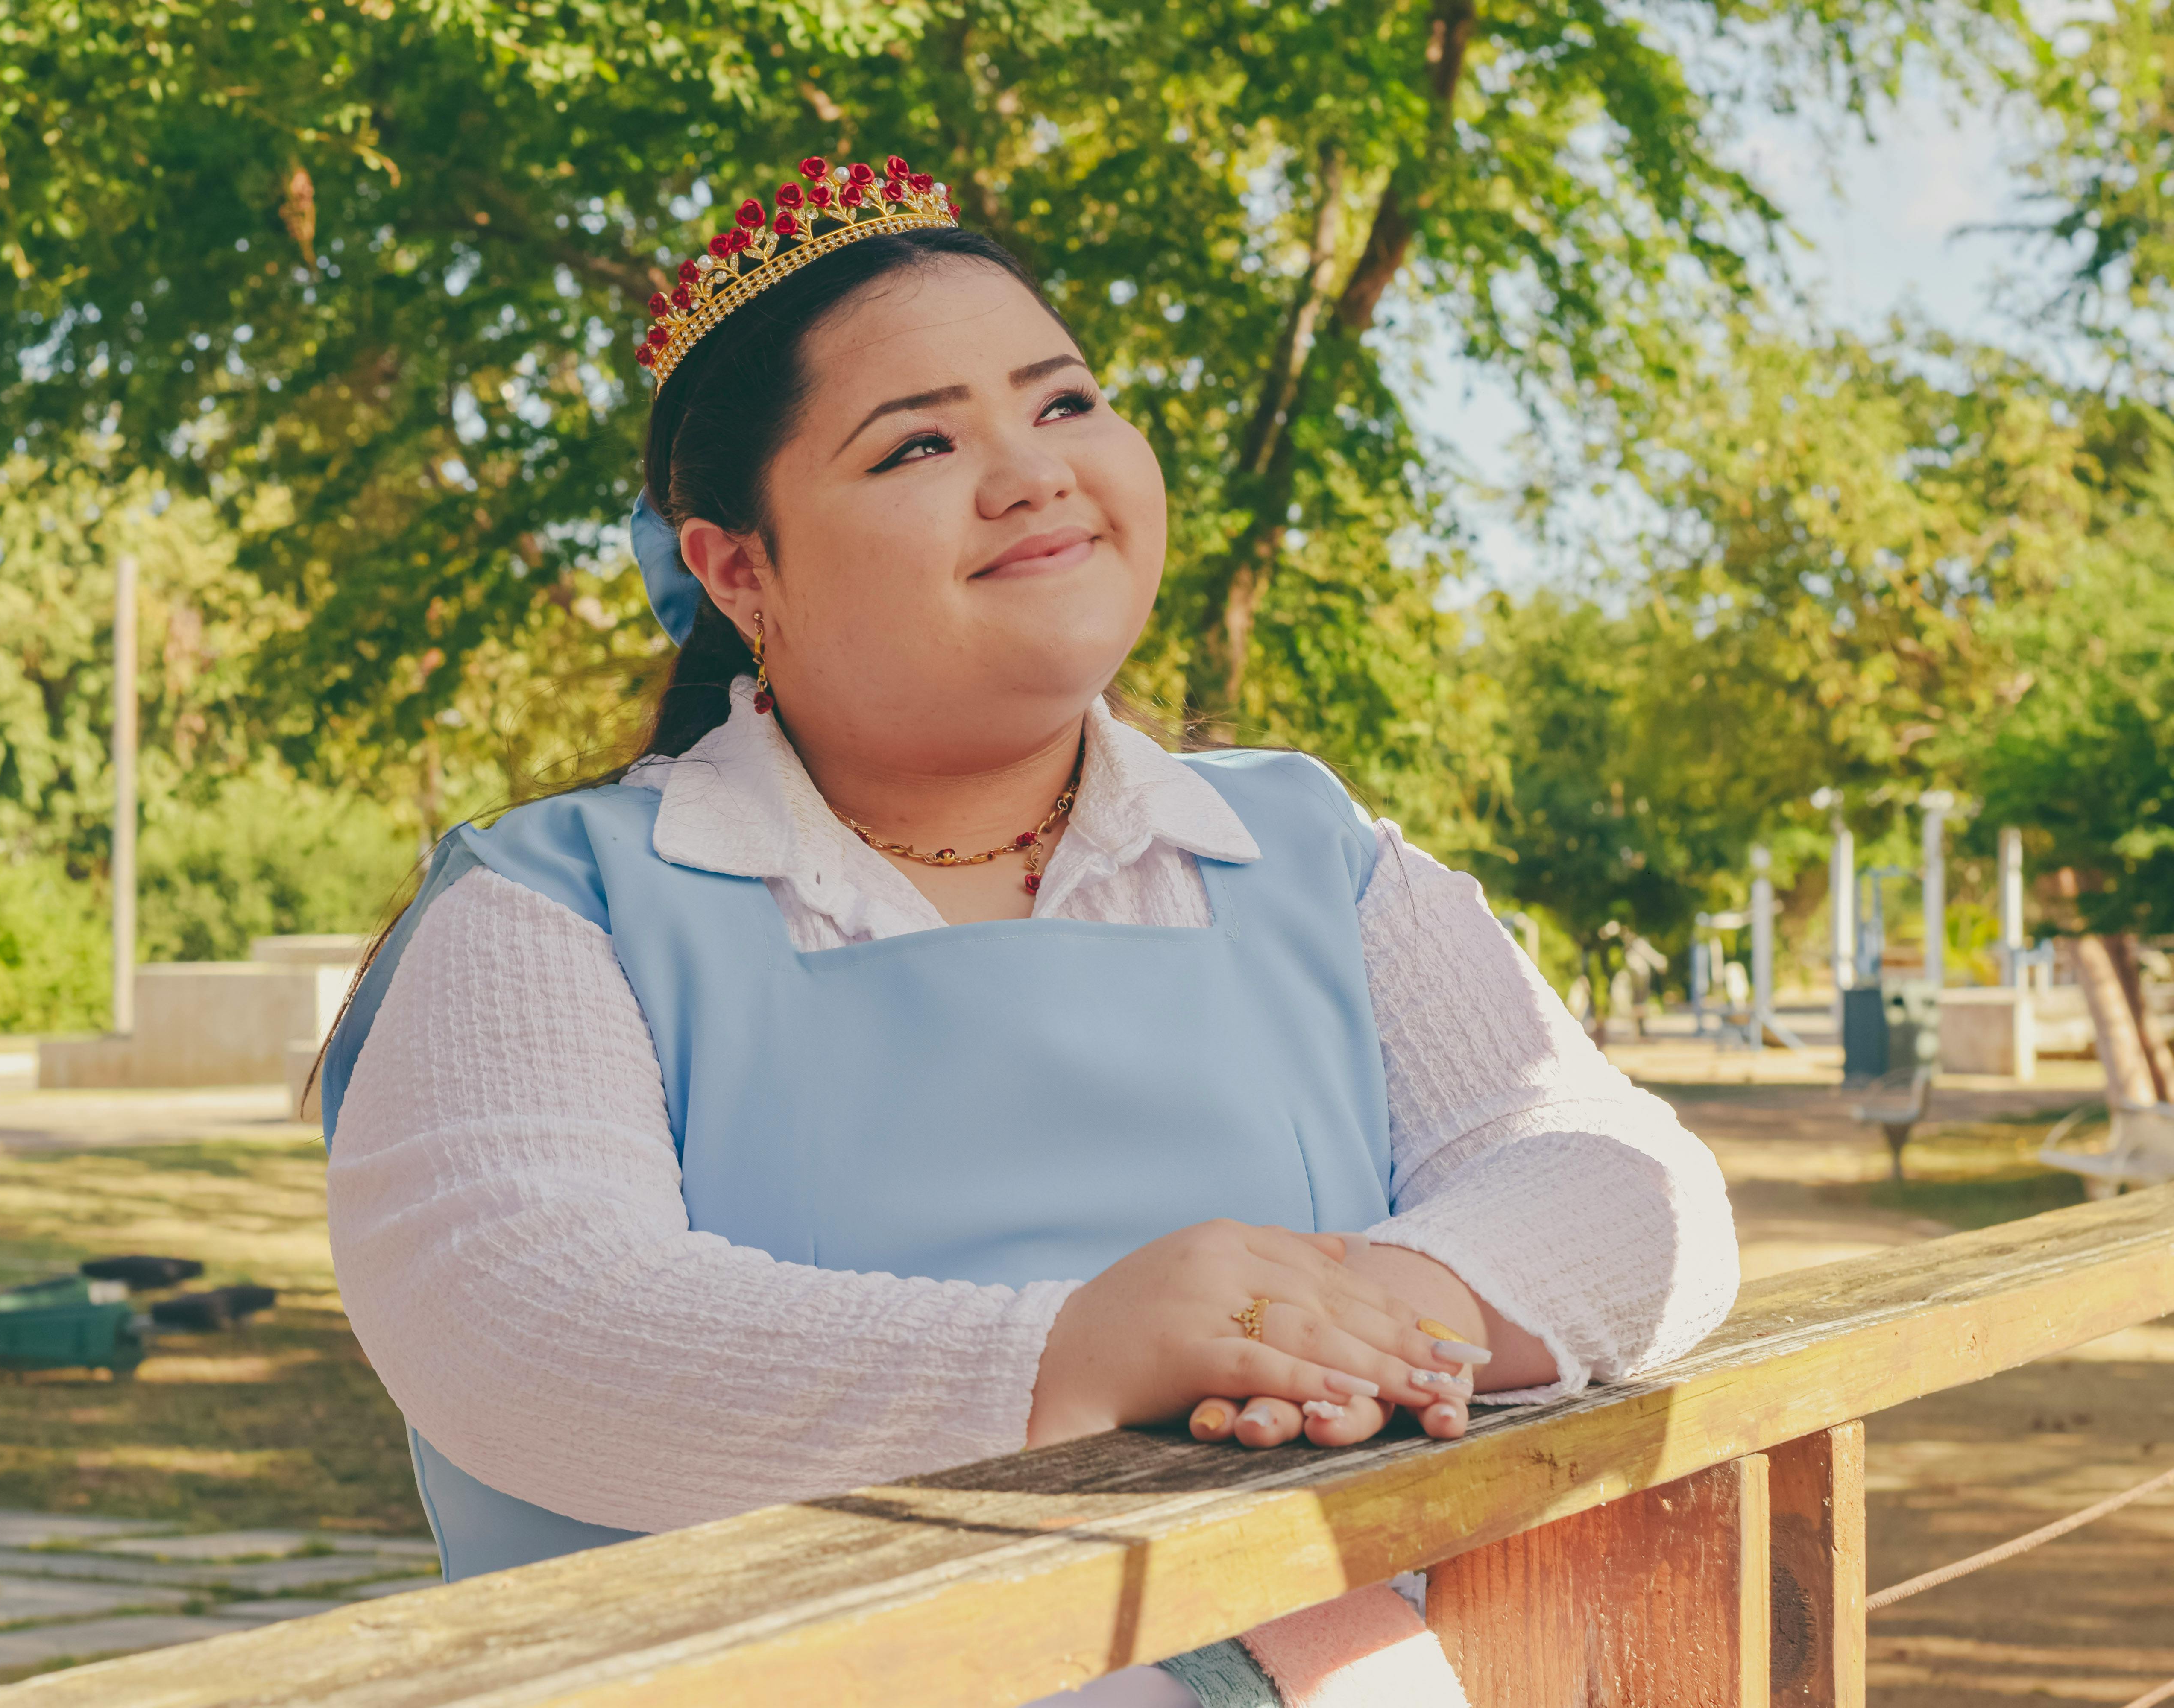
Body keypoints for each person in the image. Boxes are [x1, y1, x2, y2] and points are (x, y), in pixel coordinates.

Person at [322, 151, 1739, 1707]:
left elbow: (1621, 1179)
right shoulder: (558, 903)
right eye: (919, 443)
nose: (1034, 474)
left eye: (1065, 403)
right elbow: (525, 1322)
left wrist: (1366, 1320)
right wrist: (1075, 1356)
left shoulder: (1308, 850)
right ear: (737, 568)